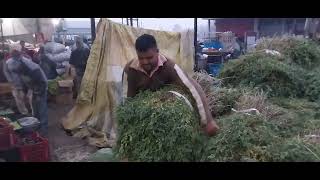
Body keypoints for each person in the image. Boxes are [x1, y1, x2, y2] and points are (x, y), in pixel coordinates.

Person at [124, 34, 219, 136]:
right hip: (146, 110)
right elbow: (130, 99)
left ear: (157, 52)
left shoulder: (169, 67)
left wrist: (207, 121)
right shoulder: (132, 70)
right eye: (141, 58)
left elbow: (193, 88)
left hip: (168, 106)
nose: (145, 62)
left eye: (149, 57)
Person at [4, 45, 48, 137]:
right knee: (35, 107)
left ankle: (43, 128)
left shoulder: (30, 66)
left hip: (41, 86)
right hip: (33, 86)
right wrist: (27, 90)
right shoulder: (18, 66)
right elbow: (25, 81)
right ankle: (35, 125)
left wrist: (38, 92)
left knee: (41, 106)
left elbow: (40, 80)